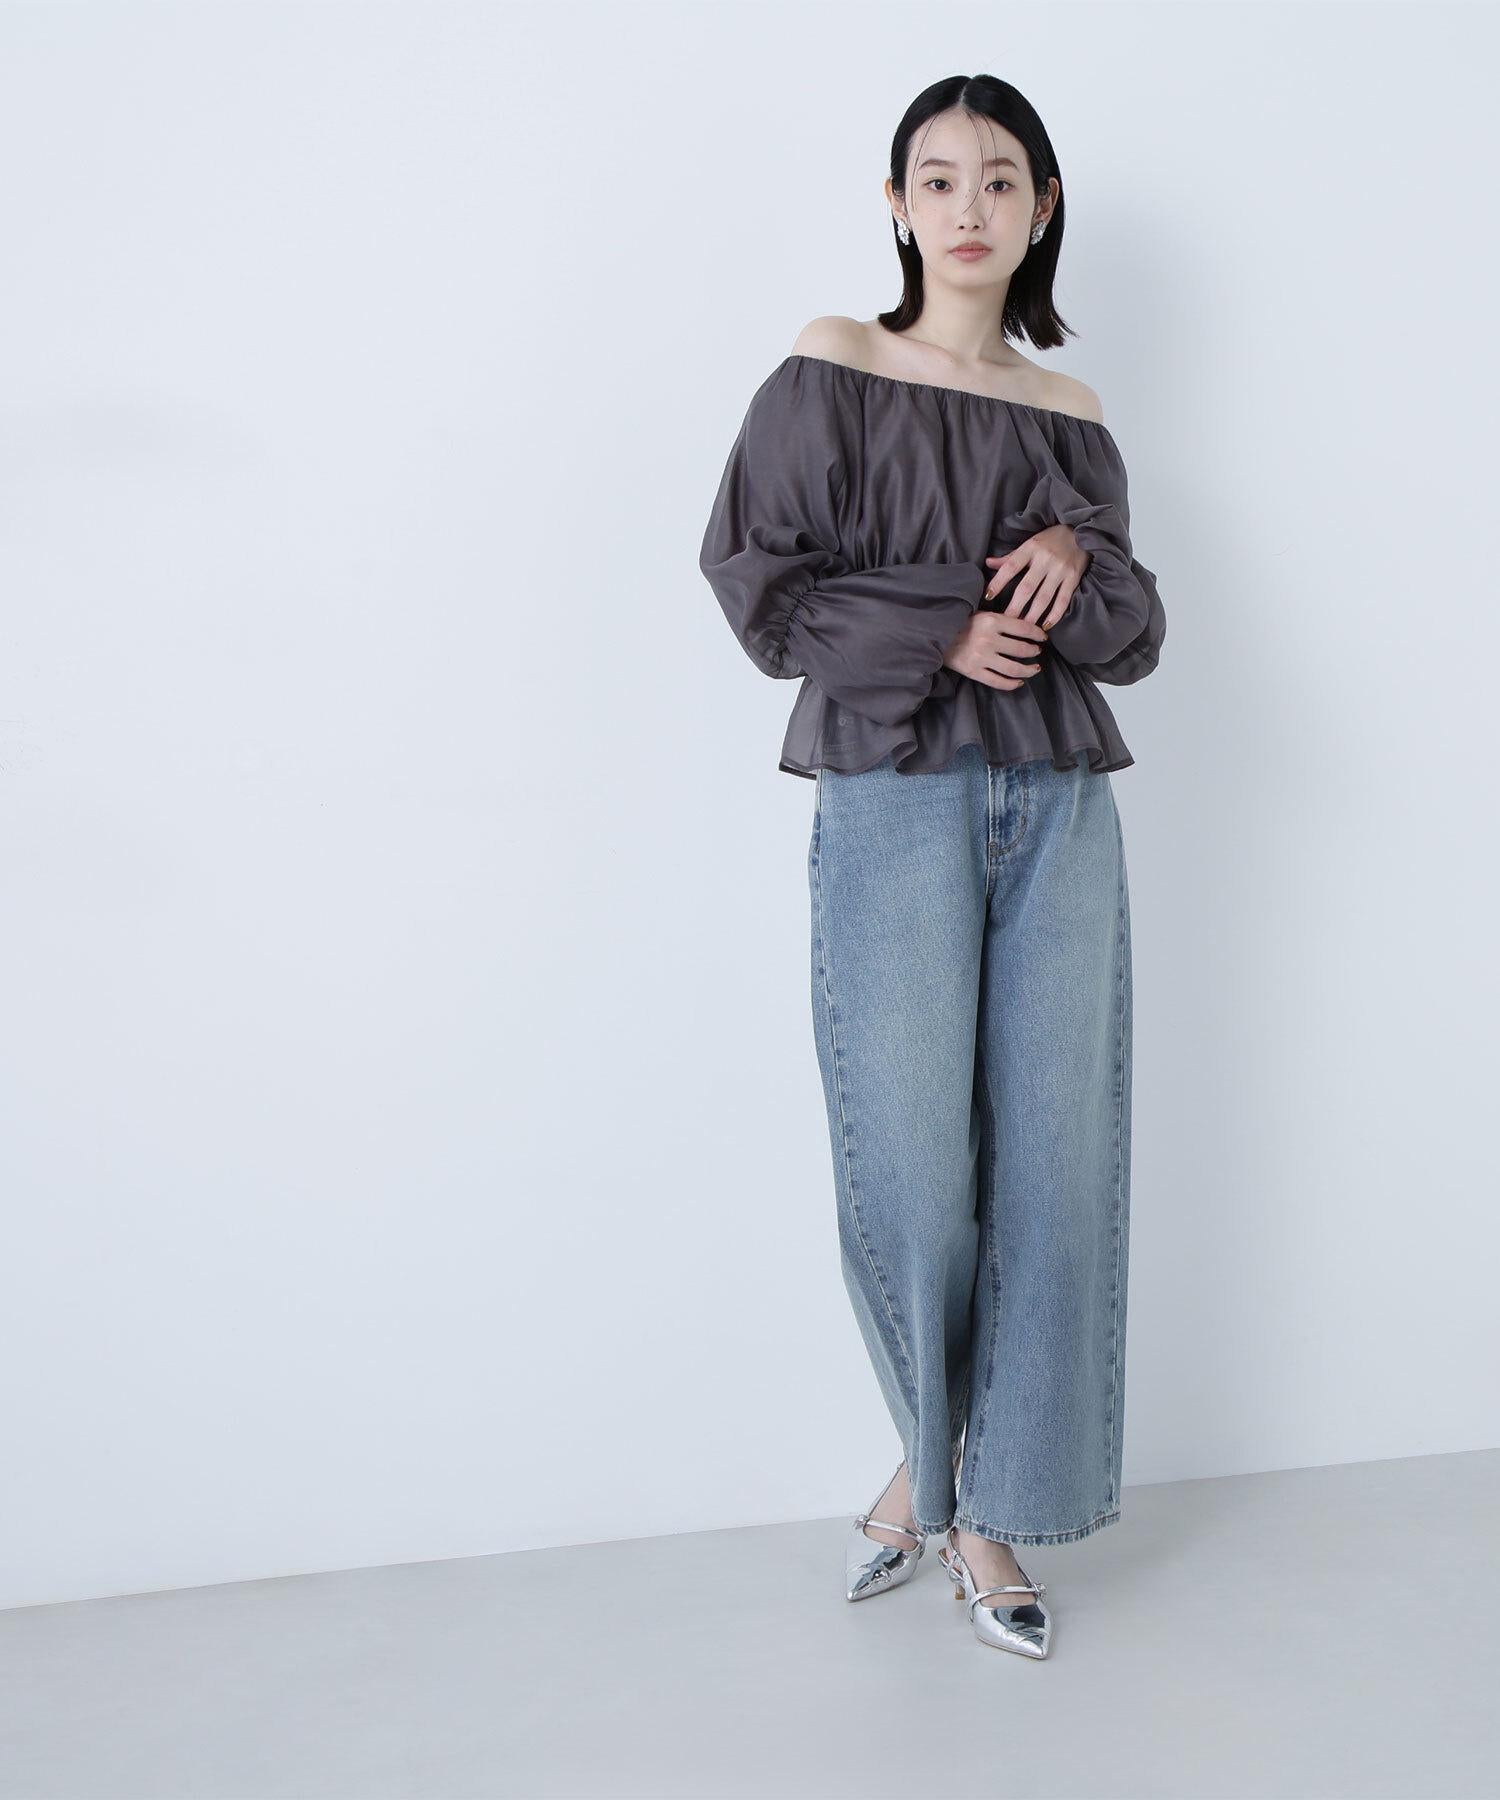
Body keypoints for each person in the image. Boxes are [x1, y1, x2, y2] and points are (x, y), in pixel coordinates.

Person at [698, 73, 1166, 1660]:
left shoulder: (1070, 411)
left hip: (1058, 803)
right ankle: (935, 1457)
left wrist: (1076, 556)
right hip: (894, 794)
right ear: (897, 205)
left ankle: (977, 1506)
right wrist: (942, 628)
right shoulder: (832, 363)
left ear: (1043, 209)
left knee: (1056, 1163)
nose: (971, 206)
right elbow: (757, 581)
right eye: (940, 177)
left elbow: (1131, 637)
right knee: (911, 1169)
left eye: (1002, 178)